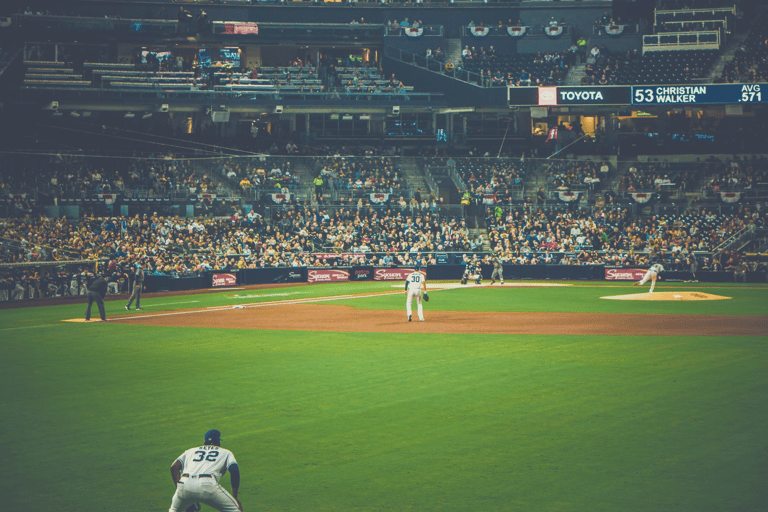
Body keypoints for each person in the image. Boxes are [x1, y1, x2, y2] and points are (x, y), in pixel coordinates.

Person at [168, 429, 242, 512]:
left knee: (173, 510)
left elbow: (174, 467)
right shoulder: (225, 452)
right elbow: (234, 470)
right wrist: (235, 496)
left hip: (184, 484)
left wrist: (182, 490)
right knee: (236, 509)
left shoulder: (190, 451)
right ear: (218, 441)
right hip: (207, 485)